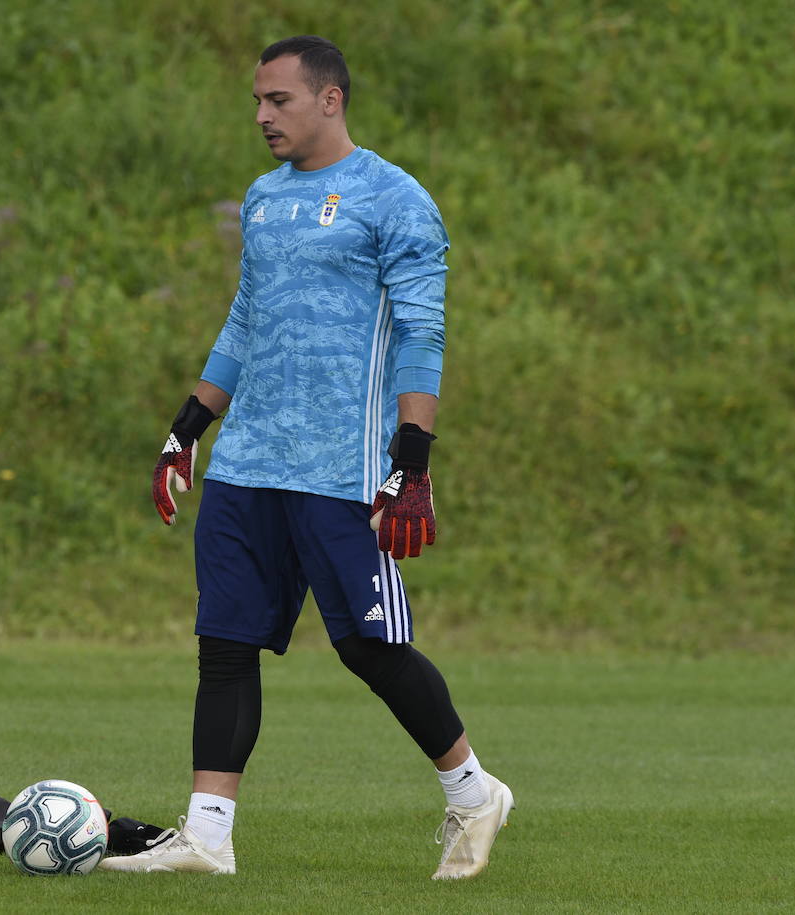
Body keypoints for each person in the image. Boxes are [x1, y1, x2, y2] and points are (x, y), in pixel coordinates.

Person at [99, 36, 513, 880]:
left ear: (330, 100)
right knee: (225, 640)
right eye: (257, 101)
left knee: (370, 646)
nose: (261, 116)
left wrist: (413, 464)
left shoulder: (394, 199)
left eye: (277, 100)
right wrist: (188, 428)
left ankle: (473, 791)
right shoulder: (262, 199)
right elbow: (245, 322)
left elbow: (424, 335)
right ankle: (208, 837)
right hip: (249, 463)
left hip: (343, 470)